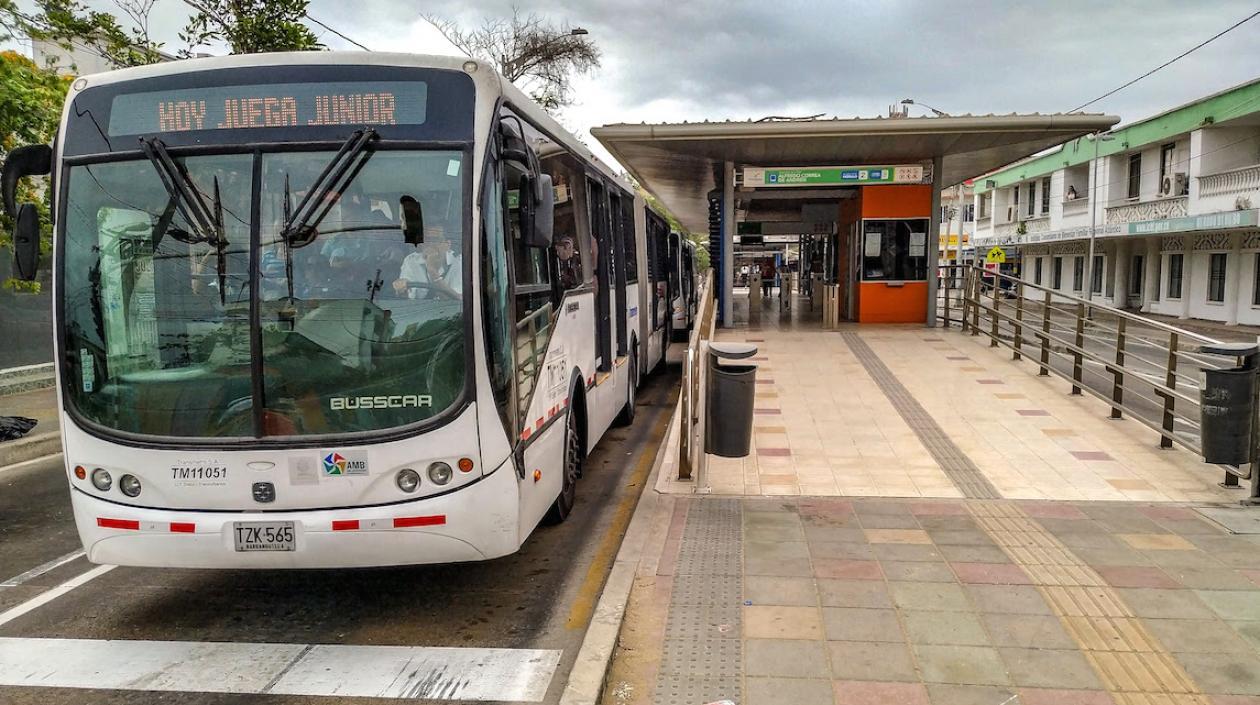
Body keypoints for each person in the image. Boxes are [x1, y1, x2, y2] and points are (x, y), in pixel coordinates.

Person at [393, 224, 462, 300]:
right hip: (419, 311)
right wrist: (402, 289)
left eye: (435, 240)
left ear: (447, 244)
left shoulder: (460, 262)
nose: (430, 245)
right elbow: (408, 298)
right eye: (426, 240)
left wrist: (432, 271)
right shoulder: (411, 261)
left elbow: (456, 301)